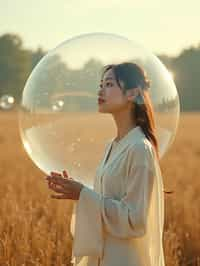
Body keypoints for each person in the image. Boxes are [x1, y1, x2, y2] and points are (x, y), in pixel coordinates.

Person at [45, 62, 167, 266]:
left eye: (109, 84)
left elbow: (135, 220)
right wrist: (77, 192)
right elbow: (107, 200)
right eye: (101, 84)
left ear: (132, 94)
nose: (100, 90)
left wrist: (83, 194)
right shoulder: (113, 145)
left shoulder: (139, 149)